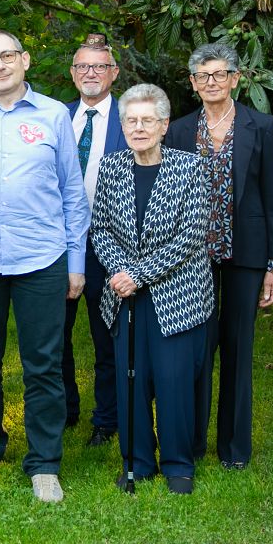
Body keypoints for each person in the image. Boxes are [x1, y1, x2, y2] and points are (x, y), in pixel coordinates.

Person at [0, 30, 89, 504]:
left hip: (41, 256)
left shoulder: (54, 115)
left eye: (7, 56)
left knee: (43, 364)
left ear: (25, 60)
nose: (0, 65)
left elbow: (72, 191)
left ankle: (44, 462)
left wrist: (75, 261)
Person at [165, 42, 273, 470]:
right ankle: (192, 443)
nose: (211, 82)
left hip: (245, 254)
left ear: (235, 78)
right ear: (193, 82)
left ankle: (234, 449)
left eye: (219, 74)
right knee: (196, 348)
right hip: (192, 255)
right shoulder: (178, 131)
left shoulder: (261, 125)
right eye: (203, 75)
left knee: (237, 347)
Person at [90, 83, 213, 495]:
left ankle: (178, 464)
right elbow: (100, 229)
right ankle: (137, 461)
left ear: (163, 125)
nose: (138, 128)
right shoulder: (111, 166)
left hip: (178, 295)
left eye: (147, 120)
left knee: (174, 381)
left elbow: (191, 236)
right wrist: (120, 273)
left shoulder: (189, 168)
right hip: (125, 296)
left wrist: (138, 274)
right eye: (131, 120)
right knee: (132, 380)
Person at [62, 33, 127, 446]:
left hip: (110, 245)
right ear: (73, 73)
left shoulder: (130, 119)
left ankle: (106, 419)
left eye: (99, 66)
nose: (91, 73)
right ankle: (65, 409)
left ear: (113, 73)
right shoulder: (55, 116)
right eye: (83, 66)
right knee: (55, 336)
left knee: (108, 338)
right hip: (60, 243)